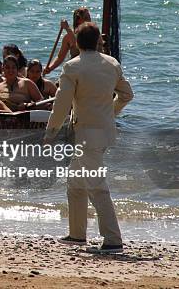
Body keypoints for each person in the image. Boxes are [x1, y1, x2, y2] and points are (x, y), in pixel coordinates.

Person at [44, 22, 133, 254]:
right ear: (97, 41)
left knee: (96, 186)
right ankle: (77, 234)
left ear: (77, 43)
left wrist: (51, 131)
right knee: (75, 182)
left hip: (85, 135)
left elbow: (61, 103)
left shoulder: (72, 67)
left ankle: (113, 239)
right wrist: (111, 112)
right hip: (104, 132)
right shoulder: (111, 63)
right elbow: (126, 94)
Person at [43, 7, 91, 75]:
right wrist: (50, 68)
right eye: (86, 17)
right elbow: (60, 57)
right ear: (78, 20)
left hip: (90, 68)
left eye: (89, 17)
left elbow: (78, 43)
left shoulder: (94, 35)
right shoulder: (68, 37)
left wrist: (67, 28)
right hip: (75, 69)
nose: (89, 20)